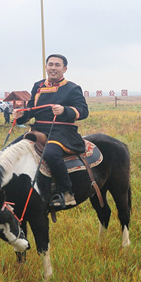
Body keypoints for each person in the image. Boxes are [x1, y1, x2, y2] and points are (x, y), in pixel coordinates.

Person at [12, 54, 89, 210]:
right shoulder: (38, 86)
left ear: (64, 69)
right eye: (50, 64)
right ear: (46, 67)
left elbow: (83, 111)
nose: (53, 68)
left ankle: (66, 192)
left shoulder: (72, 88)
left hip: (63, 131)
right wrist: (21, 115)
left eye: (57, 65)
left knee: (51, 153)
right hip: (39, 129)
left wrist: (64, 110)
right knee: (10, 150)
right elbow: (32, 110)